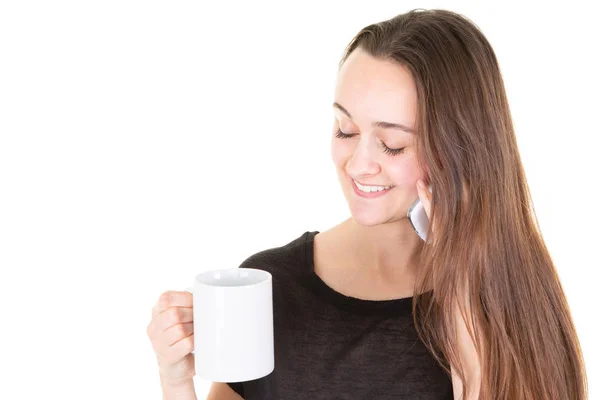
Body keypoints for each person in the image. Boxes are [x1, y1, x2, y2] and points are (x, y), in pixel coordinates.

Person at [146, 8, 588, 400]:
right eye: (344, 130)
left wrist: (466, 310)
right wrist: (175, 380)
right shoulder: (275, 286)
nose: (359, 164)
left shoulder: (510, 298)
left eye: (392, 144)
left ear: (459, 150)